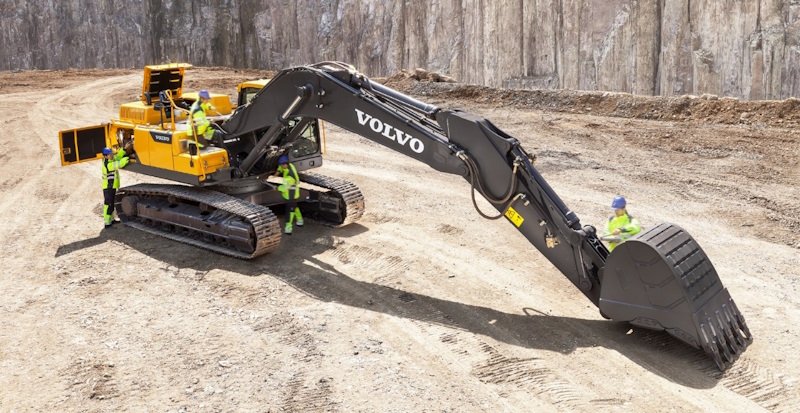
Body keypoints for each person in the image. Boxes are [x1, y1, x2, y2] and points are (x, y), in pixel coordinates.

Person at [102, 143, 132, 228]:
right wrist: (127, 159)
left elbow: (118, 157)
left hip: (111, 186)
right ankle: (107, 223)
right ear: (105, 156)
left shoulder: (111, 159)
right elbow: (119, 163)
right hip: (108, 187)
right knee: (108, 204)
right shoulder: (108, 165)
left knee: (111, 203)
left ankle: (111, 220)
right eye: (110, 155)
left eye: (111, 154)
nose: (112, 156)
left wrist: (124, 149)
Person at [276, 154, 303, 235]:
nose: (281, 166)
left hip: (291, 194)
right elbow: (281, 168)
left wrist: (276, 188)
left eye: (282, 165)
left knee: (289, 211)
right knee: (294, 207)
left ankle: (288, 228)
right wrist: (277, 172)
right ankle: (300, 220)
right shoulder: (290, 165)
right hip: (293, 193)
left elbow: (284, 188)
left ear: (285, 164)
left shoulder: (290, 176)